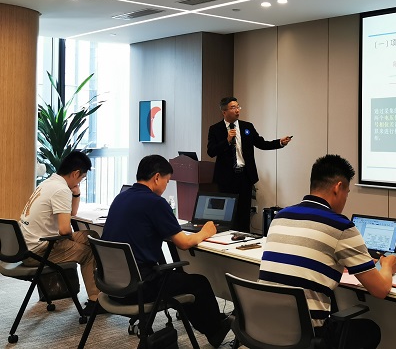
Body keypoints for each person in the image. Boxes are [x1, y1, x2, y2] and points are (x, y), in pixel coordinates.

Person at [258, 154, 396, 349]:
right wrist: (387, 266)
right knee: (370, 330)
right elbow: (380, 290)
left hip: (263, 325)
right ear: (338, 187)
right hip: (305, 336)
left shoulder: (280, 216)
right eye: (347, 193)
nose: (346, 199)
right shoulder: (340, 226)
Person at [101, 155, 231, 348]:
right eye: (167, 181)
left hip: (112, 286)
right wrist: (206, 232)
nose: (165, 186)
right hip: (139, 287)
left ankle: (214, 324)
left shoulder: (121, 198)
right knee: (198, 283)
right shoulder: (155, 202)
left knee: (181, 280)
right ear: (156, 177)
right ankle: (216, 330)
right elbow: (184, 243)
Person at [20, 151, 100, 315]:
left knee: (90, 236)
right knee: (88, 252)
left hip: (25, 246)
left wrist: (76, 193)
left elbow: (71, 214)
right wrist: (73, 241)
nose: (81, 181)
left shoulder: (49, 183)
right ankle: (95, 301)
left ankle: (98, 291)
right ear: (75, 173)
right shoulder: (60, 190)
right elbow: (64, 230)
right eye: (82, 178)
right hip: (38, 251)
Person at [207, 96, 292, 232]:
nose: (237, 110)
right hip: (226, 178)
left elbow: (261, 143)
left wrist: (279, 143)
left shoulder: (247, 127)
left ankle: (245, 238)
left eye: (238, 107)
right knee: (228, 214)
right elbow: (211, 151)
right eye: (233, 107)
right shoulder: (215, 129)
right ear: (224, 112)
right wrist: (227, 140)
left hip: (244, 177)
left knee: (244, 214)